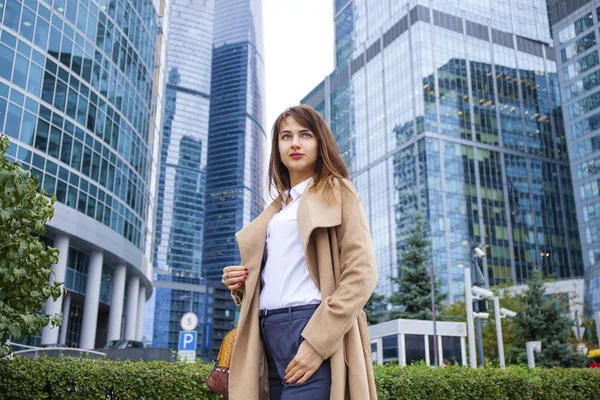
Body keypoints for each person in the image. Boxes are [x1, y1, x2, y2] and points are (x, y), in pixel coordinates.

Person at [222, 104, 378, 400]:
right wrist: (242, 284)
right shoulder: (279, 208)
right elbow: (282, 273)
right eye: (285, 136)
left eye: (304, 135)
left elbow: (362, 273)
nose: (294, 143)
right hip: (264, 332)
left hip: (309, 324)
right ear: (277, 148)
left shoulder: (338, 192)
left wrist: (317, 341)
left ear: (320, 143)